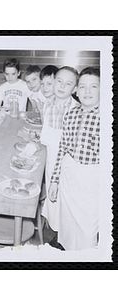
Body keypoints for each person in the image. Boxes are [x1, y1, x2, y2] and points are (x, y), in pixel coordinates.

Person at [49, 67, 100, 251]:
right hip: (68, 178)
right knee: (67, 225)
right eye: (83, 87)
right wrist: (54, 181)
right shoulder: (70, 114)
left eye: (93, 86)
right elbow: (62, 149)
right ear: (77, 90)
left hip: (92, 183)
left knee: (87, 232)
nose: (87, 91)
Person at [40, 66, 80, 235]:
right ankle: (55, 230)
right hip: (50, 159)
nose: (62, 86)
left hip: (66, 164)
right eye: (59, 81)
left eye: (68, 83)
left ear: (75, 89)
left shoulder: (76, 110)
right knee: (53, 201)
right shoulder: (47, 105)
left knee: (65, 201)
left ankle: (63, 236)